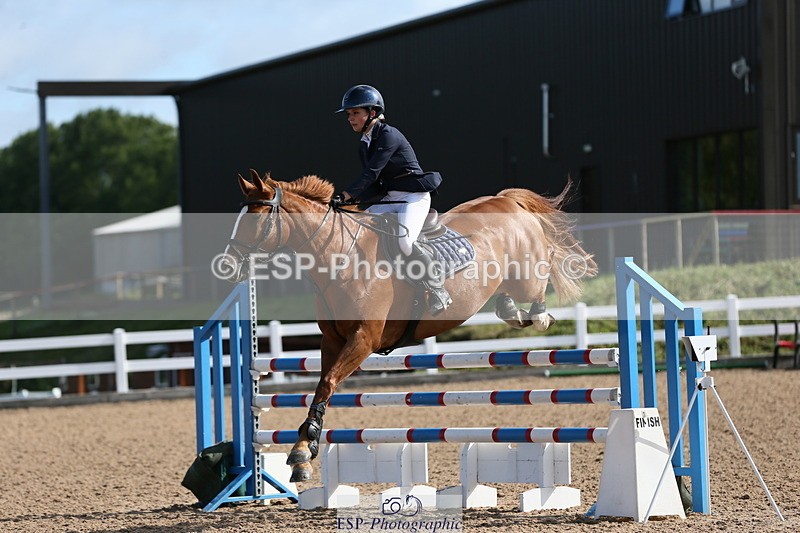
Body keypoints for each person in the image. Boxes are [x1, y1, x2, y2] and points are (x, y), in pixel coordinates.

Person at [334, 84, 452, 315]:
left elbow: (372, 173)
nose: (350, 118)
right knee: (358, 230)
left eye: (355, 113)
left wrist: (347, 194)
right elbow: (376, 185)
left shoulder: (389, 135)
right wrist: (347, 205)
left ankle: (438, 287)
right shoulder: (364, 143)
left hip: (413, 197)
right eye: (349, 114)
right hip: (391, 197)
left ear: (373, 113)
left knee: (405, 242)